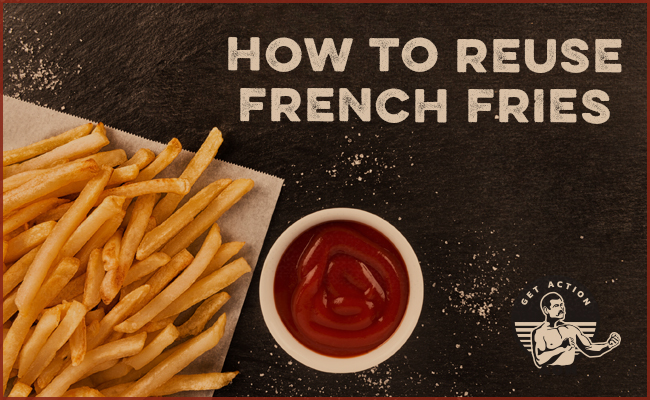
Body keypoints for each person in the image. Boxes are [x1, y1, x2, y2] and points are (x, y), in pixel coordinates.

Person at [531, 292, 620, 368]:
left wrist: (608, 345)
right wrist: (562, 347)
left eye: (562, 305)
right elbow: (539, 360)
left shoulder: (571, 329)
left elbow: (589, 349)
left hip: (572, 378)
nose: (561, 308)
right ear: (546, 310)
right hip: (549, 378)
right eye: (556, 306)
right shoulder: (539, 332)